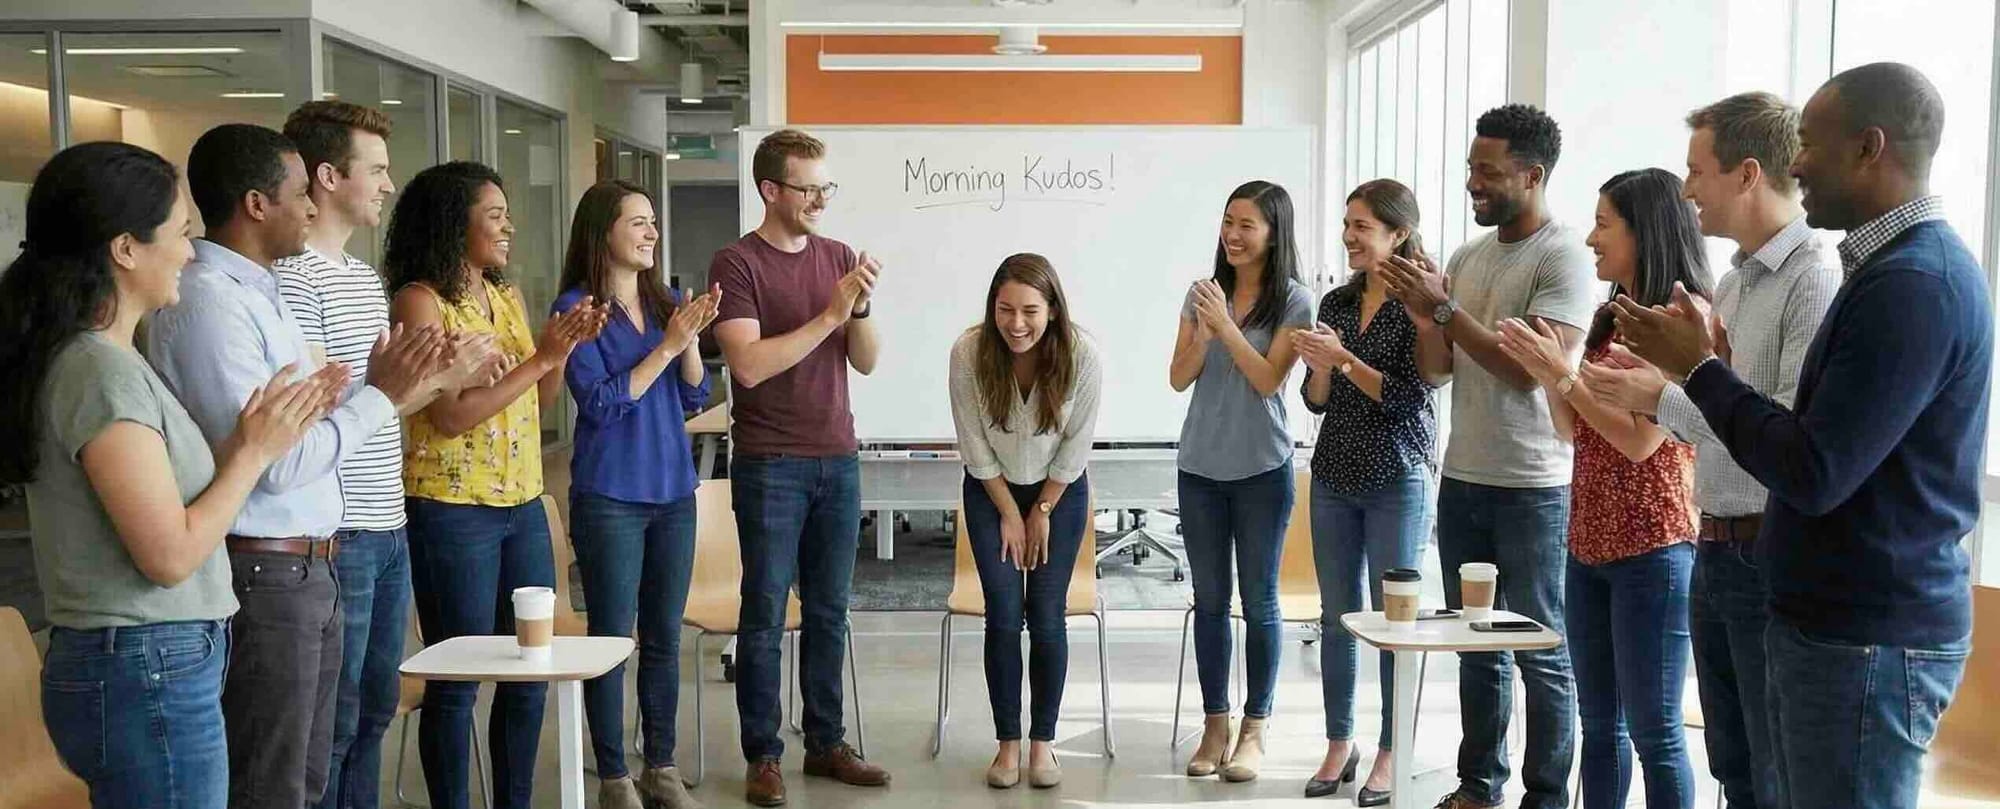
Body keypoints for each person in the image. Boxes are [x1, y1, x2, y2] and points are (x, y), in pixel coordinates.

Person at [1611, 63, 1990, 809]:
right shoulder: (1886, 272)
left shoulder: (1914, 284)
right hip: (1832, 617)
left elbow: (1814, 467)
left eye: (1810, 144)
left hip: (1868, 631)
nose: (1797, 164)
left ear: (1868, 148)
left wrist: (1699, 372)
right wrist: (1706, 371)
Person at [0, 141, 337, 809]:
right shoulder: (98, 371)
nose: (191, 250)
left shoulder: (109, 358)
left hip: (151, 659)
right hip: (144, 665)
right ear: (126, 248)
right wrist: (253, 452)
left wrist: (254, 439)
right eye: (181, 233)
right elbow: (169, 552)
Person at [145, 124, 448, 809]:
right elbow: (274, 463)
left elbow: (307, 422)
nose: (312, 206)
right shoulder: (210, 303)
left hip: (309, 561)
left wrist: (376, 392)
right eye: (297, 194)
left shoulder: (260, 291)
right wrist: (383, 395)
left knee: (308, 776)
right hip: (266, 567)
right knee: (272, 782)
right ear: (257, 204)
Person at [1580, 92, 1836, 809]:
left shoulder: (1812, 277)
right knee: (1732, 763)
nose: (1687, 188)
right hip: (1712, 544)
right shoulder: (1733, 281)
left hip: (1764, 549)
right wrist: (1652, 394)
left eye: (1698, 170)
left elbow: (1784, 432)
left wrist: (1653, 397)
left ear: (1747, 173)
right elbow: (1714, 420)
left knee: (1767, 771)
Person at [275, 100, 501, 809]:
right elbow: (313, 415)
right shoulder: (294, 279)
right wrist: (426, 383)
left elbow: (384, 399)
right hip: (333, 530)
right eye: (374, 169)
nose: (386, 183)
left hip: (386, 518)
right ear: (328, 175)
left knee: (373, 708)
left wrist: (442, 376)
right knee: (335, 721)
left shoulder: (361, 277)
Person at [1376, 103, 1594, 809]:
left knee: (1540, 650)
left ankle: (1547, 796)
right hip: (1464, 476)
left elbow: (1528, 368)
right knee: (1476, 645)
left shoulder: (1561, 256)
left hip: (1533, 485)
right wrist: (1424, 314)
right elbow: (1439, 368)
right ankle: (1479, 785)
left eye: (1487, 171)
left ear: (1531, 175)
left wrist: (1443, 310)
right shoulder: (1470, 259)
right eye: (1471, 168)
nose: (1472, 182)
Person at [385, 161, 608, 809]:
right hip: (452, 510)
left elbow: (537, 399)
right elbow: (449, 416)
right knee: (456, 681)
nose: (509, 226)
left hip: (521, 502)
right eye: (495, 214)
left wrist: (558, 351)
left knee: (528, 672)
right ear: (456, 223)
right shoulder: (420, 300)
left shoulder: (503, 295)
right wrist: (540, 356)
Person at [1498, 168, 1710, 809]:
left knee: (1656, 734)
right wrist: (1548, 376)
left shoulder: (1682, 320)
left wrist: (1564, 377)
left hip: (1654, 548)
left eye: (1603, 223)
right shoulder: (1608, 317)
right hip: (1588, 541)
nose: (1591, 238)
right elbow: (1576, 431)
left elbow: (1641, 441)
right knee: (1600, 727)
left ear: (1644, 231)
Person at [710, 127, 888, 807]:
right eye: (807, 186)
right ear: (770, 190)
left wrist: (859, 307)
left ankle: (826, 742)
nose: (819, 198)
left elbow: (865, 359)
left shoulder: (838, 256)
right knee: (762, 613)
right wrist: (830, 313)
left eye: (825, 186)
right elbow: (750, 367)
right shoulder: (736, 263)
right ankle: (764, 755)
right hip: (770, 463)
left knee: (830, 611)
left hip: (837, 458)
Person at [555, 180, 719, 809]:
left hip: (673, 490)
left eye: (653, 223)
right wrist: (671, 344)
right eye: (639, 222)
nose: (653, 233)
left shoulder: (667, 301)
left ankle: (663, 766)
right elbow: (599, 405)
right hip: (611, 497)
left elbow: (692, 398)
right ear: (604, 233)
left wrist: (690, 342)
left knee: (662, 635)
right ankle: (614, 776)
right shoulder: (576, 309)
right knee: (609, 638)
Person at [1293, 179, 1438, 804]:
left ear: (1398, 234)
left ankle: (1389, 751)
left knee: (1393, 624)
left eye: (1362, 227)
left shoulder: (1425, 303)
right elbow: (1316, 402)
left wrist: (1345, 360)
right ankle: (1338, 741)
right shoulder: (1335, 301)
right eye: (1346, 224)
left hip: (1396, 475)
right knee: (1337, 616)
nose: (1349, 237)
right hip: (1333, 473)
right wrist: (1322, 368)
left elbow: (1411, 398)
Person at [1170, 179, 1315, 784]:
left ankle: (1255, 728)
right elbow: (1178, 378)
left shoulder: (1296, 302)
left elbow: (1267, 380)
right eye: (1228, 221)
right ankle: (1215, 724)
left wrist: (1225, 328)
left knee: (1259, 602)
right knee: (1208, 602)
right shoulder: (1201, 294)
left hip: (1262, 470)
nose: (1232, 234)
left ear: (1273, 232)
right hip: (1200, 467)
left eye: (1246, 224)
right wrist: (1203, 334)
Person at [945, 253, 1103, 791]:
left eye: (1030, 311)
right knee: (1004, 615)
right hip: (991, 491)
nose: (1016, 324)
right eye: (1005, 309)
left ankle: (1043, 745)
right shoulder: (970, 351)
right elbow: (973, 442)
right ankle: (1007, 744)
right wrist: (1011, 511)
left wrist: (1041, 510)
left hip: (1060, 490)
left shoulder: (1082, 355)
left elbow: (1075, 447)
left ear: (1053, 310)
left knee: (1047, 614)